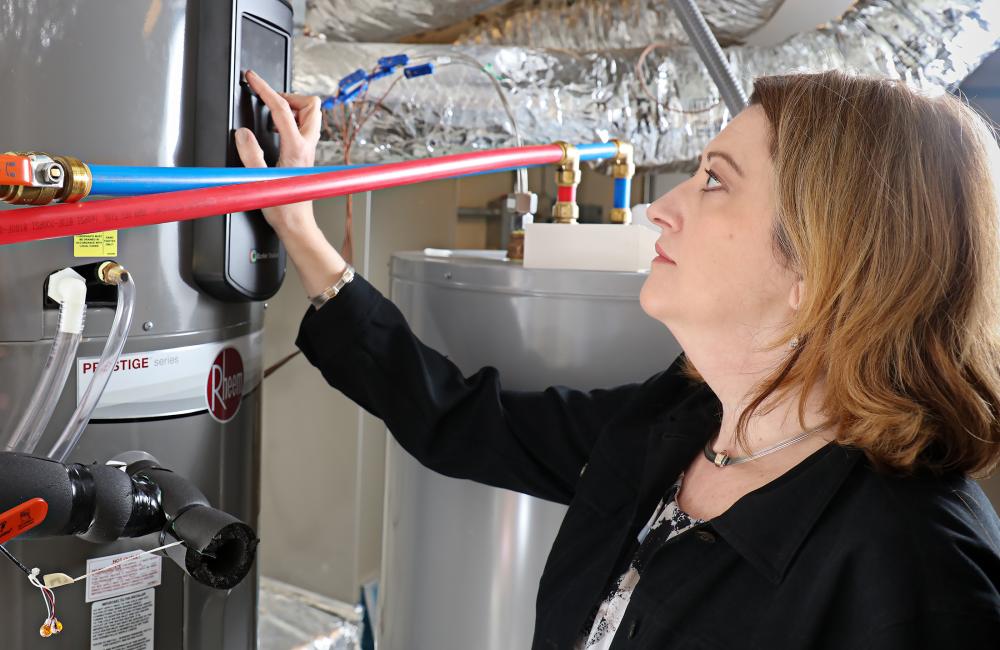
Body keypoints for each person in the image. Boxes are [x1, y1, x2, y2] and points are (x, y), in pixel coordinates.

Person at [235, 68, 1000, 648]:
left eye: (713, 183)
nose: (659, 209)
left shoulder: (922, 566)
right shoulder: (679, 421)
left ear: (822, 266)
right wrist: (301, 229)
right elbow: (463, 421)